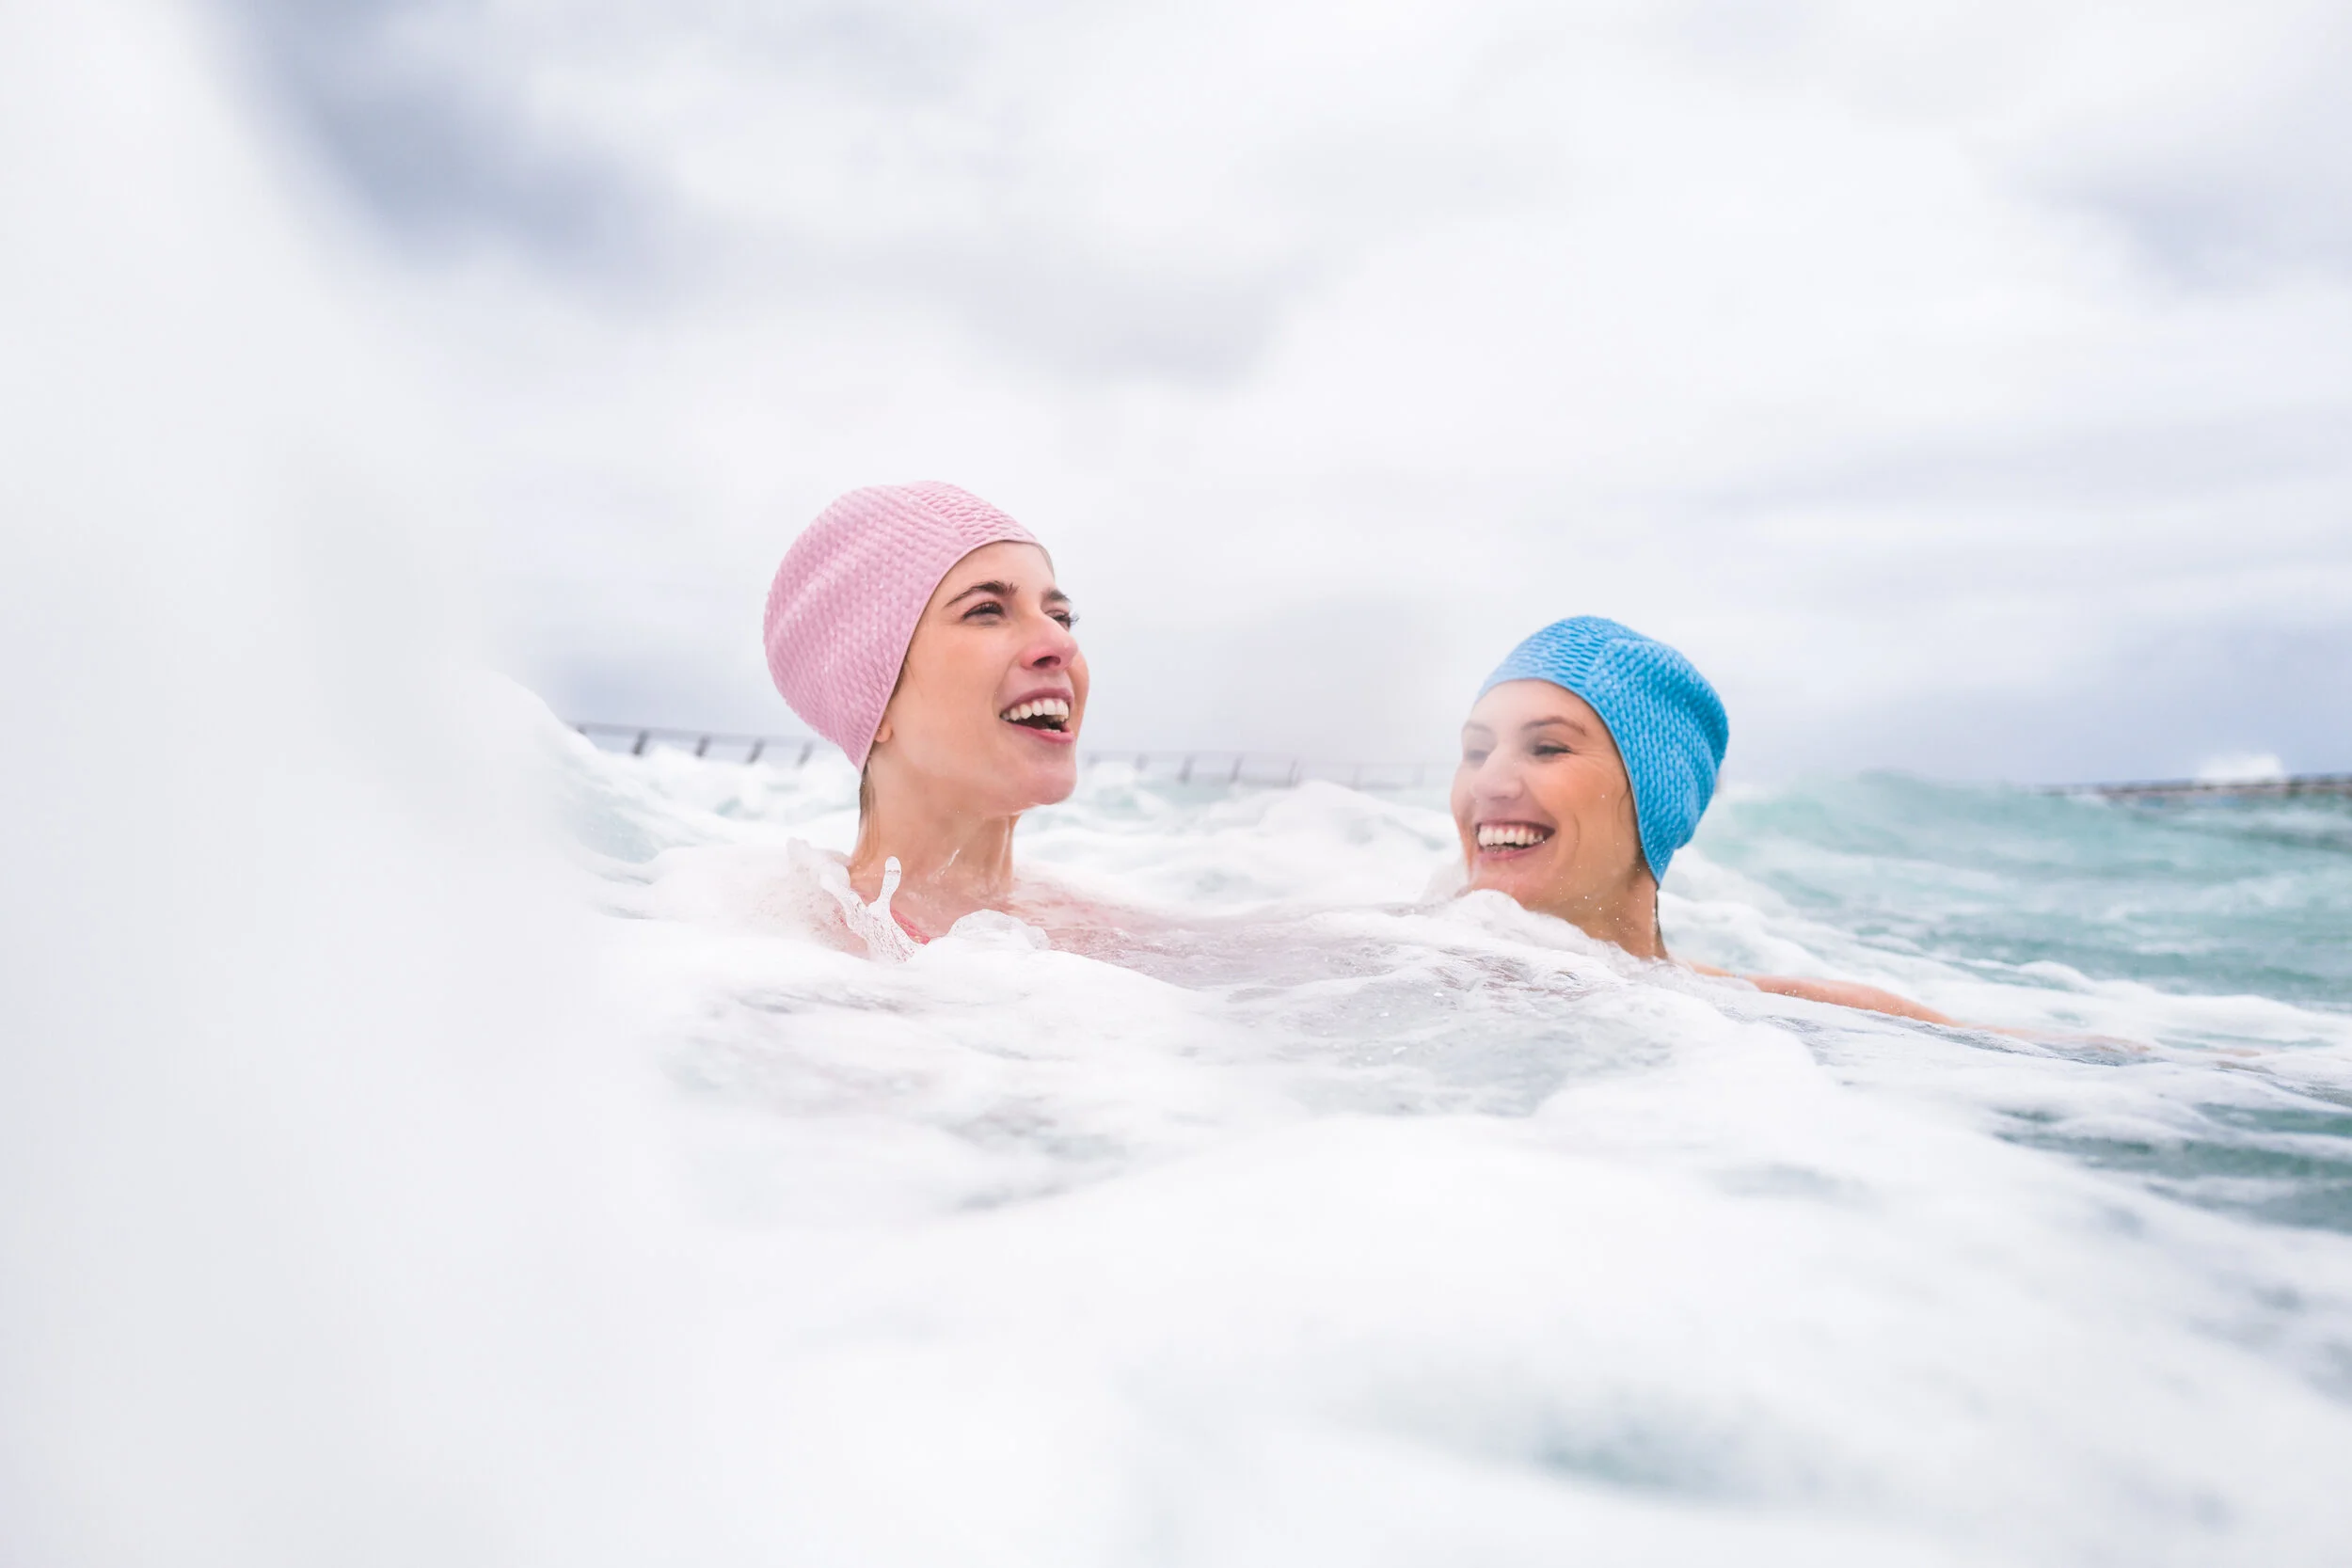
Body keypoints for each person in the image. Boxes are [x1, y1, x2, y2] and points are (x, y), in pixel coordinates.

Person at [1454, 616, 1953, 1023]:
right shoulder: (1392, 960)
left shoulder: (1783, 1020)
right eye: (1476, 750)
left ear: (1658, 796)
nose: (1486, 782)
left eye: (1547, 748)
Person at [764, 481, 1087, 952]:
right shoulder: (817, 952)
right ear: (872, 700)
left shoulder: (1098, 912)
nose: (1063, 644)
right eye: (986, 610)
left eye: (1059, 616)